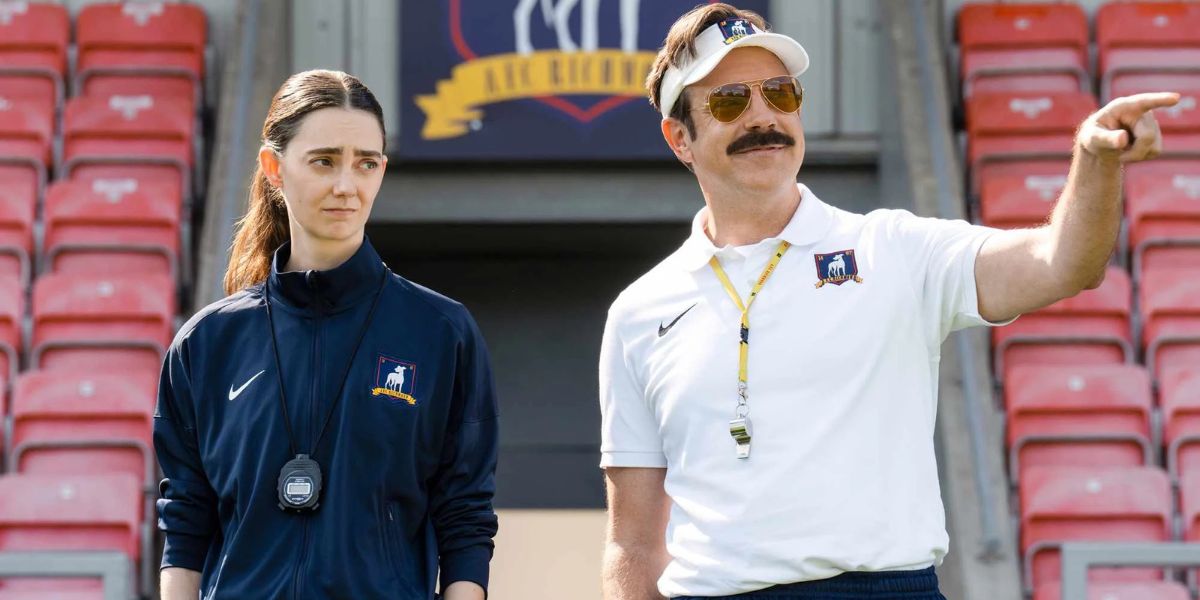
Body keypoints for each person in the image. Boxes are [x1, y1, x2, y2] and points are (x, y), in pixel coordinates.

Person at [598, 4, 1179, 599]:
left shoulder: (894, 248)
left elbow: (1062, 262)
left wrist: (1095, 161)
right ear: (680, 138)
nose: (764, 117)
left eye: (780, 93)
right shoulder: (639, 312)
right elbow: (632, 544)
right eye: (729, 101)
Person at [154, 70, 498, 600]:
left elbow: (465, 516)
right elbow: (186, 519)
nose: (346, 186)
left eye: (365, 163)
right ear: (274, 168)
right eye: (324, 161)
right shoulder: (207, 344)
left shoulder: (441, 333)